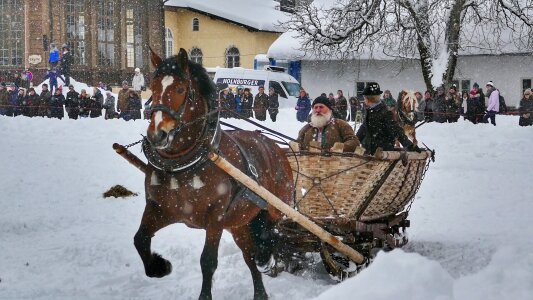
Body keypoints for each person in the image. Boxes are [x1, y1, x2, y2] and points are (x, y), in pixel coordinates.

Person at [356, 82, 419, 155]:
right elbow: (364, 128)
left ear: (370, 98)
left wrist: (409, 144)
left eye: (365, 97)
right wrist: (354, 141)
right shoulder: (369, 111)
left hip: (382, 152)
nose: (364, 100)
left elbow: (395, 129)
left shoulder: (384, 112)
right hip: (368, 151)